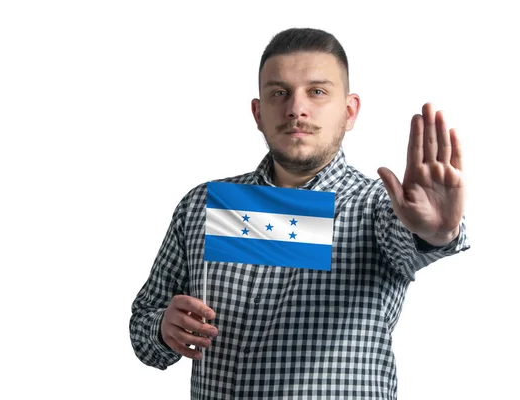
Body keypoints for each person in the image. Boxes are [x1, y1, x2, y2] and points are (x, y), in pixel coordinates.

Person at [130, 27, 470, 399]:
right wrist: (163, 327)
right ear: (258, 112)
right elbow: (144, 328)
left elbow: (413, 243)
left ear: (350, 110)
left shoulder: (377, 209)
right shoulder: (204, 206)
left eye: (317, 92)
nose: (296, 108)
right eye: (279, 93)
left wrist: (437, 232)